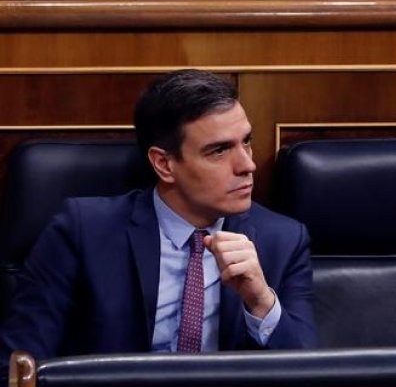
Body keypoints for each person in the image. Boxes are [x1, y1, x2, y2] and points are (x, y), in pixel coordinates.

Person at [1, 69, 317, 362]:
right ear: (164, 165)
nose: (247, 165)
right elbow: (18, 368)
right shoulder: (83, 232)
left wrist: (261, 301)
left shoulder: (283, 241)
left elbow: (310, 381)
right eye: (219, 150)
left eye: (246, 141)